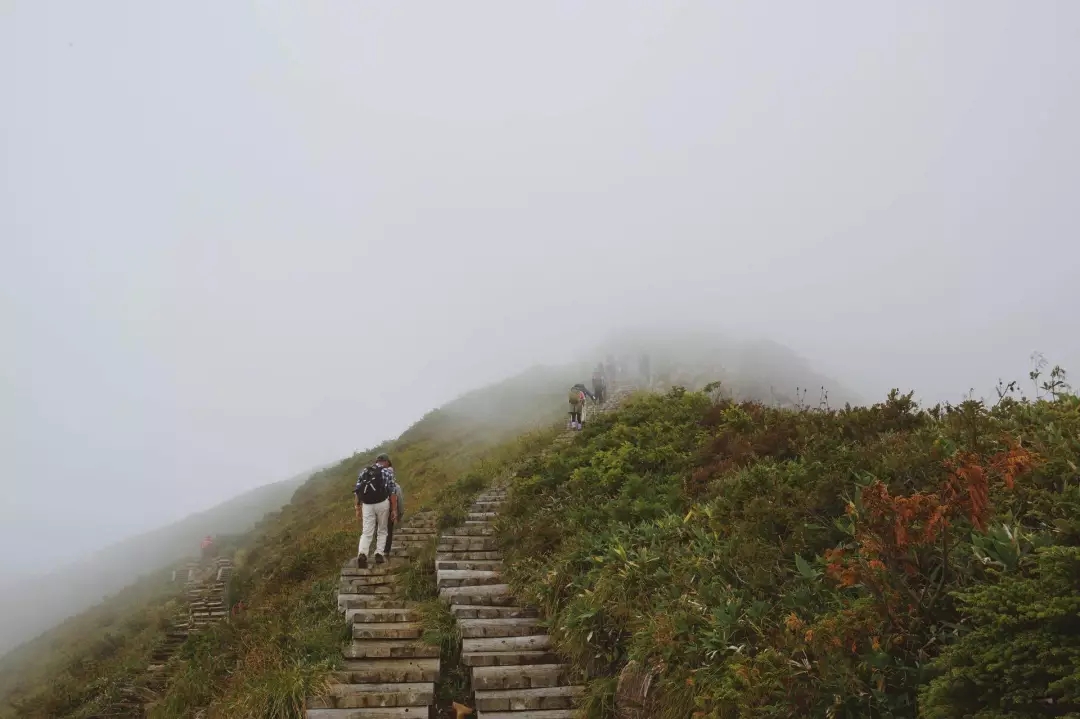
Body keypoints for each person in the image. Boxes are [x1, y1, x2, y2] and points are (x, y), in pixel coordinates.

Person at [354, 453, 399, 568]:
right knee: (382, 529)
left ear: (376, 461)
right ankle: (379, 553)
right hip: (382, 503)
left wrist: (357, 508)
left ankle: (362, 554)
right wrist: (394, 510)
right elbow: (393, 492)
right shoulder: (387, 472)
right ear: (387, 462)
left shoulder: (364, 471)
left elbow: (357, 490)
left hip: (367, 505)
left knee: (367, 531)